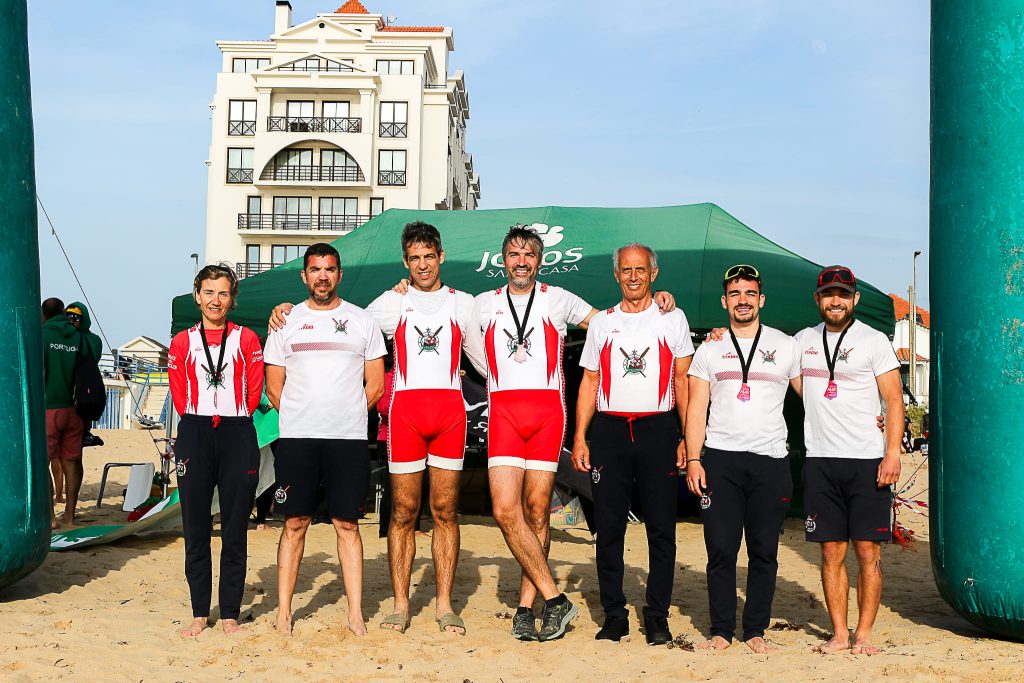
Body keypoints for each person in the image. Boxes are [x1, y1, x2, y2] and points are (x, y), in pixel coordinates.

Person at [463, 225, 677, 642]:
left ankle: (527, 608)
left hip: (546, 411)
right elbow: (468, 347)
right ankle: (556, 598)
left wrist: (659, 302)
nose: (520, 261)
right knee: (506, 511)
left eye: (528, 255)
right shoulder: (480, 304)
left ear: (539, 260)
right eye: (513, 254)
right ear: (502, 260)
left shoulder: (558, 299)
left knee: (538, 511)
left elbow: (612, 323)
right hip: (505, 409)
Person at [571, 243, 693, 645]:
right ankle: (614, 614)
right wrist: (580, 437)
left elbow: (682, 380)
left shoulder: (672, 318)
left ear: (653, 274)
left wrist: (686, 438)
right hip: (609, 431)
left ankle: (656, 615)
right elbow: (589, 382)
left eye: (641, 269)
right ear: (617, 275)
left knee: (661, 529)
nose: (634, 276)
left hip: (658, 430)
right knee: (608, 530)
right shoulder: (603, 323)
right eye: (626, 270)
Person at [264, 243, 386, 636]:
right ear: (304, 276)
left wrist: (348, 413)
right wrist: (302, 415)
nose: (322, 276)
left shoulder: (362, 321)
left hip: (347, 439)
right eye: (315, 269)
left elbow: (377, 384)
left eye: (329, 269)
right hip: (298, 439)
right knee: (295, 522)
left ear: (339, 274)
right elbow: (273, 387)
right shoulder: (285, 322)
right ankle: (284, 613)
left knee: (346, 524)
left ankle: (355, 614)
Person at [684, 264, 801, 653]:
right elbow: (696, 408)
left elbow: (813, 397)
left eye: (750, 293)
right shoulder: (710, 349)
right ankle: (720, 629)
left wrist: (870, 414)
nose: (743, 300)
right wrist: (694, 459)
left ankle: (755, 630)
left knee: (764, 550)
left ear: (761, 299)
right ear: (725, 301)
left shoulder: (787, 346)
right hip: (720, 460)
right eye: (735, 294)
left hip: (770, 460)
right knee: (720, 548)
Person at [796, 265, 903, 655]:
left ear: (855, 299)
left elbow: (893, 398)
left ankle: (864, 634)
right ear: (818, 299)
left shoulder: (874, 341)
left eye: (843, 294)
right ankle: (840, 633)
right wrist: (721, 333)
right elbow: (774, 364)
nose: (835, 300)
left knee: (867, 551)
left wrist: (892, 452)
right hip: (821, 460)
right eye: (828, 294)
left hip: (866, 460)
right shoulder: (803, 340)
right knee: (829, 552)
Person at [168, 264, 264, 637]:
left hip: (237, 430)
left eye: (223, 293)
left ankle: (229, 613)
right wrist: (200, 419)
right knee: (195, 526)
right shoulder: (182, 342)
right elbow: (178, 391)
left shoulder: (247, 339)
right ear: (197, 296)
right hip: (194, 430)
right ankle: (198, 611)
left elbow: (254, 390)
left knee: (235, 526)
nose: (215, 300)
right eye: (209, 292)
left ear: (232, 298)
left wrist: (233, 417)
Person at [42, 297, 79, 527]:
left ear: (44, 314)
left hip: (49, 407)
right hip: (73, 408)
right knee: (71, 462)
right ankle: (70, 515)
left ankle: (50, 517)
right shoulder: (77, 337)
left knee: (42, 462)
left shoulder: (44, 336)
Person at [64, 302, 104, 449]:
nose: (72, 321)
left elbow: (92, 358)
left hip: (83, 387)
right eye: (68, 317)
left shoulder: (93, 340)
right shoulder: (61, 338)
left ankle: (85, 433)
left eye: (76, 318)